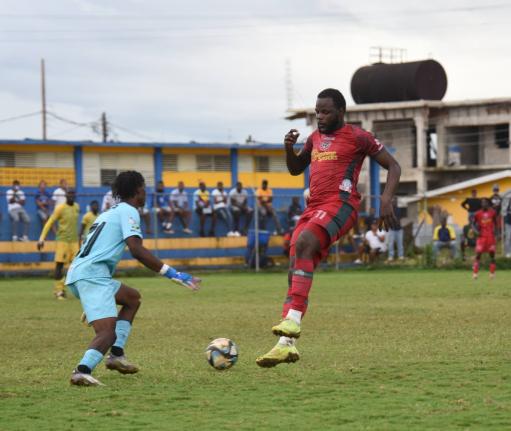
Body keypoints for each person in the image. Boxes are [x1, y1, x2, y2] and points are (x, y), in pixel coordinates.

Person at [256, 88, 401, 367]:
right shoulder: (315, 138)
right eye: (317, 112)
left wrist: (386, 198)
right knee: (296, 262)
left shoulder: (359, 137)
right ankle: (285, 345)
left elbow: (393, 166)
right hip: (314, 208)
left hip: (342, 204)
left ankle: (292, 321)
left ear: (340, 112)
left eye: (325, 112)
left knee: (304, 245)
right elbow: (297, 168)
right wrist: (288, 149)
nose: (320, 117)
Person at [64, 171, 201, 386]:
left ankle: (117, 356)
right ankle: (81, 370)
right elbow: (136, 249)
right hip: (92, 277)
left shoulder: (108, 213)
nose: (146, 192)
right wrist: (173, 274)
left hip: (85, 274)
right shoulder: (129, 211)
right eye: (144, 188)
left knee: (132, 299)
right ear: (138, 190)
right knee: (106, 334)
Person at [37, 189, 80, 299]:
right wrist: (42, 238)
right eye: (69, 194)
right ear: (65, 196)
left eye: (72, 194)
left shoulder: (76, 207)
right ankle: (59, 291)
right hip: (62, 241)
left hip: (74, 242)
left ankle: (76, 290)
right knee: (59, 265)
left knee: (77, 266)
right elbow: (50, 222)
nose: (71, 196)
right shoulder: (60, 208)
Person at [472, 197, 497, 280]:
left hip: (490, 237)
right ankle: (475, 273)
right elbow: (472, 224)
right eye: (482, 202)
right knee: (478, 254)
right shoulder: (477, 214)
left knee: (492, 255)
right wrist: (476, 231)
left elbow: (496, 223)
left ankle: (492, 274)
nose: (484, 204)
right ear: (481, 204)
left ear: (488, 204)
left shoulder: (493, 212)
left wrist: (497, 233)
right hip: (481, 237)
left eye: (486, 202)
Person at [386, 197, 404, 261]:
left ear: (397, 202)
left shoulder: (399, 209)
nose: (394, 202)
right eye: (393, 201)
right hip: (391, 229)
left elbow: (399, 219)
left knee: (400, 243)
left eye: (395, 201)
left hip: (399, 229)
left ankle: (401, 256)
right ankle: (391, 256)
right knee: (390, 244)